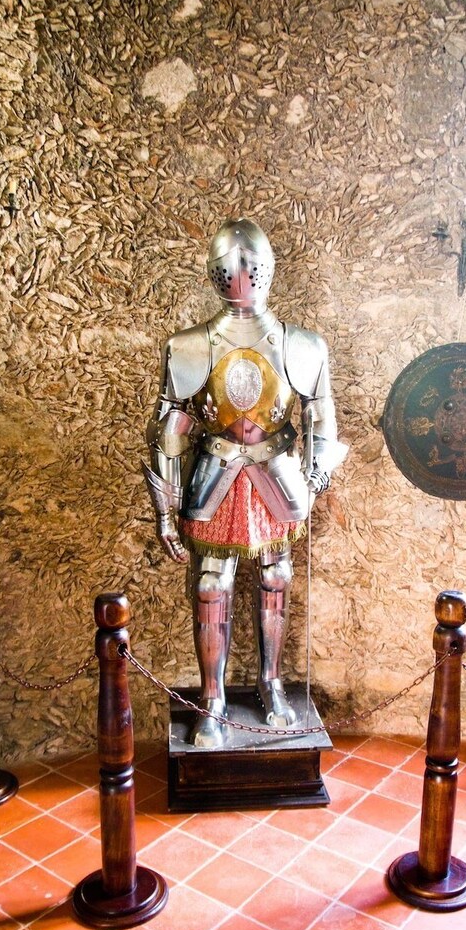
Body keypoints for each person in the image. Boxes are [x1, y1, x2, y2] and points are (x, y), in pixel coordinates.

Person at [143, 218, 346, 747]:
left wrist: (316, 474)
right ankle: (212, 698)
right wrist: (165, 512)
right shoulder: (189, 345)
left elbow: (321, 417)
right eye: (231, 268)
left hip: (277, 472)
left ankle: (271, 683)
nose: (240, 276)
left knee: (277, 577)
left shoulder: (303, 344)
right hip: (215, 473)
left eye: (249, 267)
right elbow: (169, 430)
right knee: (212, 584)